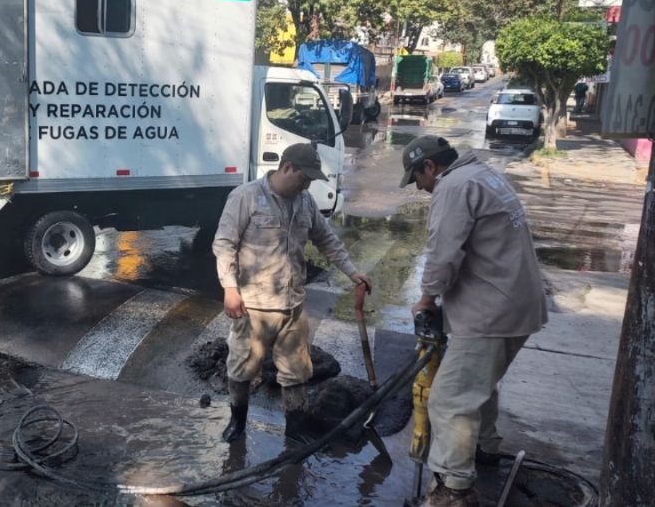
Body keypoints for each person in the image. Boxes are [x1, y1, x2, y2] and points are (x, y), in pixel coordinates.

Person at [399, 135, 547, 507]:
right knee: (479, 382)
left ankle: (453, 489)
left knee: (450, 400)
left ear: (430, 166)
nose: (419, 186)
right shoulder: (484, 175)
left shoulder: (454, 185)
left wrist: (427, 299)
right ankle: (485, 448)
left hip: (491, 312)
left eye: (417, 177)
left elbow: (443, 252)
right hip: (515, 305)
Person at [212, 143, 372, 443]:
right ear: (286, 168)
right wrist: (230, 289)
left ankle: (295, 429)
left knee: (297, 372)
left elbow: (326, 239)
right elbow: (224, 244)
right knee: (241, 368)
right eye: (304, 177)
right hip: (254, 306)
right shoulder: (246, 197)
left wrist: (352, 272)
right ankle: (238, 421)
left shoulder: (305, 202)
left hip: (293, 305)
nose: (307, 184)